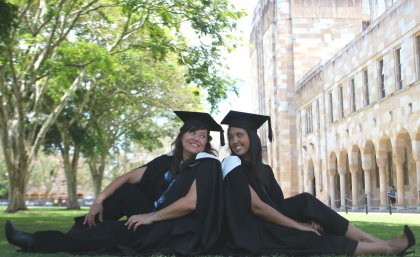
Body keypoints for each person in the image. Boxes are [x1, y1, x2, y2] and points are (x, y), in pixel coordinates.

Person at [5, 111, 225, 256]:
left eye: (203, 136)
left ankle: (34, 241)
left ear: (207, 142)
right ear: (181, 136)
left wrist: (149, 217)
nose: (197, 139)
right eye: (192, 133)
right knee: (125, 191)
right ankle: (82, 228)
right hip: (156, 214)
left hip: (173, 226)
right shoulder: (166, 161)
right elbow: (128, 177)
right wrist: (98, 201)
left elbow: (190, 203)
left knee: (109, 231)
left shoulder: (207, 165)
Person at [220, 110, 415, 256]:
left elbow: (278, 204)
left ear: (252, 137)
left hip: (269, 223)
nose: (234, 141)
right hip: (252, 231)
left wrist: (306, 220)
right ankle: (385, 247)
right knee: (312, 237)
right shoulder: (231, 164)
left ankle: (373, 240)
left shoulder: (263, 168)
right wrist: (299, 226)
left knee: (306, 201)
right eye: (231, 137)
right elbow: (258, 207)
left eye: (239, 135)